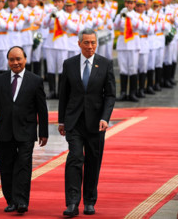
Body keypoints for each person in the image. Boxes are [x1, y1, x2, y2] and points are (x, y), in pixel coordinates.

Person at [0, 46, 48, 214]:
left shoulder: (35, 80)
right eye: (12, 60)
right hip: (4, 131)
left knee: (23, 166)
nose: (16, 62)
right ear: (8, 61)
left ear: (25, 59)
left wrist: (44, 132)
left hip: (26, 131)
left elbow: (42, 109)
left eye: (19, 59)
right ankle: (11, 200)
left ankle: (22, 201)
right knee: (6, 167)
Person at [58, 28, 116, 216]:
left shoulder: (105, 64)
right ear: (79, 44)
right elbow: (64, 95)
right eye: (86, 43)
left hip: (96, 122)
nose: (90, 46)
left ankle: (89, 200)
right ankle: (72, 203)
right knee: (75, 158)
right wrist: (61, 121)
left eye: (93, 43)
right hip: (74, 121)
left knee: (93, 160)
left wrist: (105, 118)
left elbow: (110, 95)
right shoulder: (69, 64)